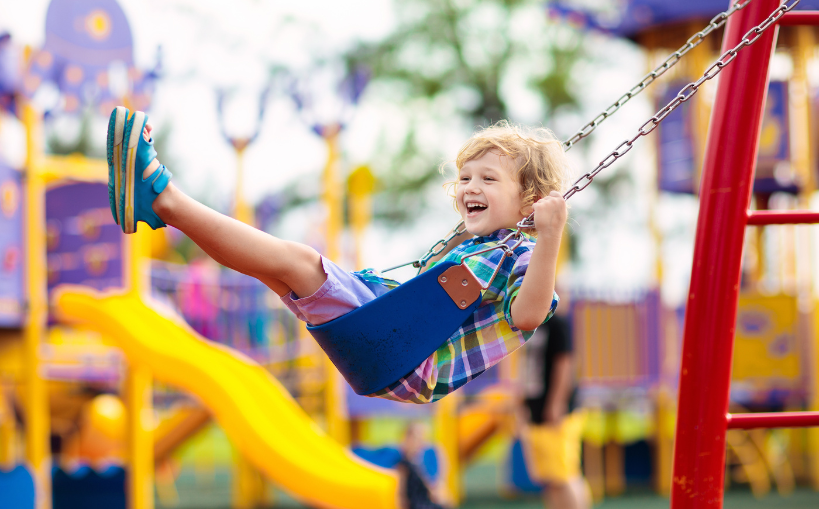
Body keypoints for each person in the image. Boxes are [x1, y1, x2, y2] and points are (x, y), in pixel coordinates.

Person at [106, 106, 570, 404]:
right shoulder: (475, 248)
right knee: (273, 267)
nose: (471, 186)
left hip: (406, 356)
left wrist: (549, 236)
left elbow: (528, 315)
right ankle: (157, 207)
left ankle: (163, 197)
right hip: (388, 339)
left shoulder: (524, 255)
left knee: (297, 262)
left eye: (488, 179)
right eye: (466, 177)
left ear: (530, 202)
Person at [521, 312, 590, 509]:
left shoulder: (557, 323)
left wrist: (557, 402)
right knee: (550, 478)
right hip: (537, 407)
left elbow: (565, 363)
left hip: (556, 410)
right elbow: (528, 368)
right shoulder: (530, 325)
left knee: (565, 474)